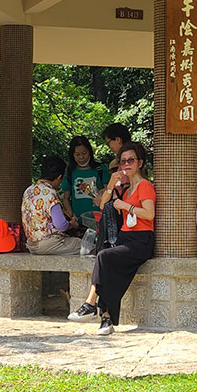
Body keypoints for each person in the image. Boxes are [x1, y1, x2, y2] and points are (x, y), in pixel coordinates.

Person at [67, 142, 155, 335]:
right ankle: (106, 319)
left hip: (141, 240)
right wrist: (111, 183)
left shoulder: (144, 186)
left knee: (104, 257)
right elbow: (102, 205)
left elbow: (149, 214)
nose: (126, 164)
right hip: (126, 237)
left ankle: (90, 304)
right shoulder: (125, 188)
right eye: (123, 161)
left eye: (131, 160)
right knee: (111, 274)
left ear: (140, 162)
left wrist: (125, 206)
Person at [21, 156, 81, 255]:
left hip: (32, 244)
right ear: (59, 177)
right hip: (49, 243)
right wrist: (71, 224)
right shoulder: (50, 193)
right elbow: (61, 225)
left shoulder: (29, 190)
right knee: (87, 246)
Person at [63, 135, 108, 230]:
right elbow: (66, 198)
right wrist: (71, 215)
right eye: (77, 154)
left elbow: (108, 191)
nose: (81, 157)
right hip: (78, 222)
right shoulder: (70, 171)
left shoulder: (100, 169)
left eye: (84, 153)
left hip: (98, 220)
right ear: (72, 155)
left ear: (90, 152)